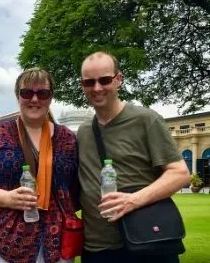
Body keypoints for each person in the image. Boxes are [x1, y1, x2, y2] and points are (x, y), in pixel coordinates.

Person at [77, 51, 190, 263]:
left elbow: (180, 173)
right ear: (82, 84)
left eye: (104, 80)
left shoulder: (146, 120)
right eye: (89, 82)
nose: (97, 88)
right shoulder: (83, 131)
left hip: (148, 242)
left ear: (119, 79)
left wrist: (132, 201)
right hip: (97, 248)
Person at [0, 67, 79, 263]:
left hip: (55, 244)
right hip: (3, 241)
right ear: (18, 96)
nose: (35, 99)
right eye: (27, 93)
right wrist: (8, 198)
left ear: (51, 98)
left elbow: (76, 191)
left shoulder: (67, 139)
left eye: (42, 93)